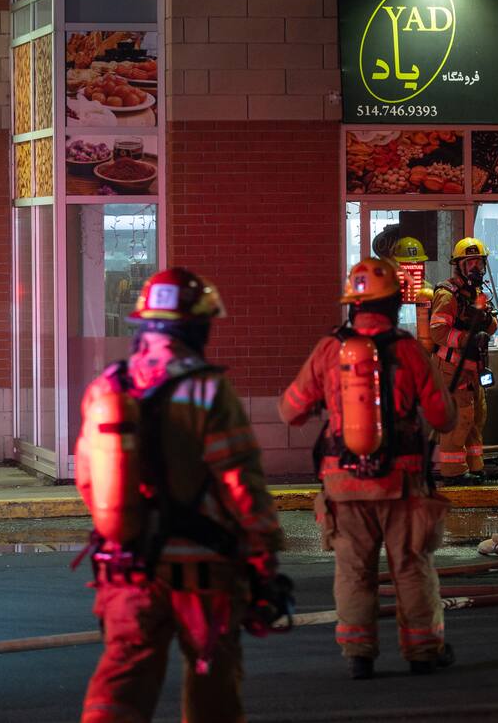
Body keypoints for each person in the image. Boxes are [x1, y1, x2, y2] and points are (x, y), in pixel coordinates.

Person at [77, 268, 284, 723]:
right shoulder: (208, 389)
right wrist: (264, 556)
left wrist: (125, 526)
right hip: (203, 571)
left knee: (122, 682)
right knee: (213, 683)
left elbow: (90, 481)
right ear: (195, 326)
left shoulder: (106, 387)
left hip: (128, 566)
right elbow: (241, 484)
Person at [279, 258, 457, 679]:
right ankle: (422, 652)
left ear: (352, 304)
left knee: (354, 570)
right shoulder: (409, 349)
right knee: (411, 566)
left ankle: (359, 654)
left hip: (343, 483)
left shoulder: (329, 350)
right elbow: (444, 418)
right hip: (402, 481)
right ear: (395, 301)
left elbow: (290, 411)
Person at [429, 237, 496, 483]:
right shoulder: (448, 295)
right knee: (460, 419)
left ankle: (475, 466)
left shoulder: (476, 294)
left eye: (479, 263)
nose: (476, 269)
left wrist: (487, 324)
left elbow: (491, 326)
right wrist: (468, 338)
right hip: (451, 369)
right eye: (470, 263)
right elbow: (438, 331)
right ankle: (454, 472)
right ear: (459, 266)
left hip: (471, 370)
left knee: (476, 417)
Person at [392, 236, 435, 353]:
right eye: (406, 265)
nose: (412, 270)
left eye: (417, 264)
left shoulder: (427, 290)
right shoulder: (389, 291)